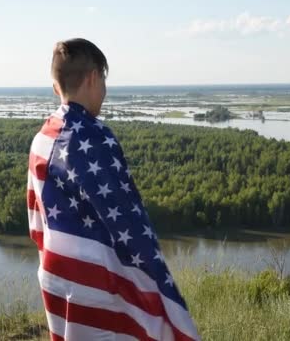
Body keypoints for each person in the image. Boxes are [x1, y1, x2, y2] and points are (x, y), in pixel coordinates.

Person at [27, 38, 199, 341]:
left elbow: (36, 220)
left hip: (56, 273)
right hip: (99, 284)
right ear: (94, 77)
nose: (105, 93)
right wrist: (159, 283)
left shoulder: (42, 136)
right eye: (104, 81)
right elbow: (128, 224)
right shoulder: (94, 137)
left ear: (57, 86)